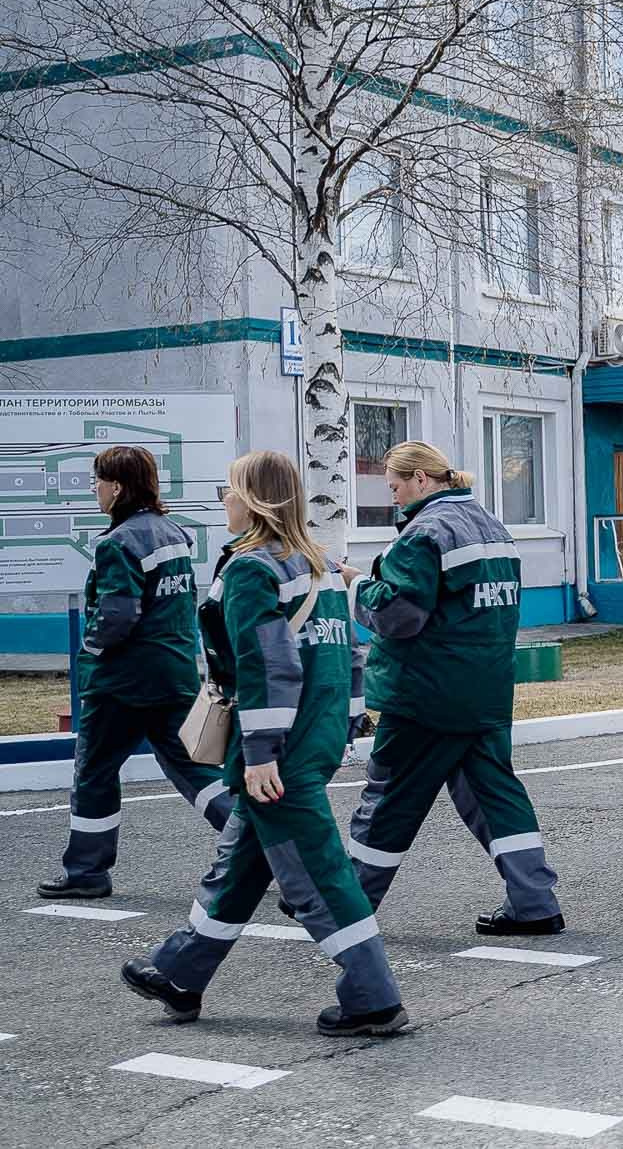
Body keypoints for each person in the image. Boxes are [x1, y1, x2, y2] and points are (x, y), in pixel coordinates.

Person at [122, 451, 406, 1036]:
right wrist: (346, 727)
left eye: (228, 489)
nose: (222, 500)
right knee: (239, 864)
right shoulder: (318, 563)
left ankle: (373, 996)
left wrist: (260, 754)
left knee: (318, 874)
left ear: (252, 499)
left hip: (281, 752)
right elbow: (348, 658)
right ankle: (179, 971)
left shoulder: (254, 569)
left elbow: (265, 667)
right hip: (315, 738)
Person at [338, 441, 564, 936]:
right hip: (484, 691)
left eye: (395, 486)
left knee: (388, 798)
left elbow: (398, 616)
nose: (393, 498)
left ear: (421, 479)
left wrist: (356, 585)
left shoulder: (424, 534)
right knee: (494, 794)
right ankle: (534, 900)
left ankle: (345, 904)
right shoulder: (492, 526)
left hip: (424, 693)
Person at [38, 446, 232, 899]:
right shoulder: (174, 534)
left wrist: (90, 650)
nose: (94, 490)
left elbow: (116, 617)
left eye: (98, 481)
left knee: (96, 771)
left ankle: (87, 872)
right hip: (175, 674)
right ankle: (253, 846)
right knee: (194, 769)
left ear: (118, 487)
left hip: (122, 684)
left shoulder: (117, 543)